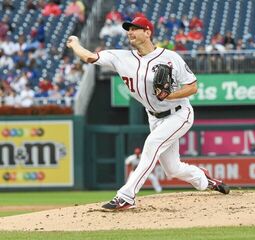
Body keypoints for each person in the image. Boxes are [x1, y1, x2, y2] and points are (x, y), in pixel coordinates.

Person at [66, 16, 230, 211]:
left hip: (179, 113)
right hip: (154, 117)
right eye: (129, 29)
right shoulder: (121, 57)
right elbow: (89, 57)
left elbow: (192, 87)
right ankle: (204, 180)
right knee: (172, 169)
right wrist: (75, 43)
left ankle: (126, 196)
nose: (130, 32)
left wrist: (171, 96)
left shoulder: (170, 57)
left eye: (135, 28)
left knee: (152, 144)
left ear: (148, 32)